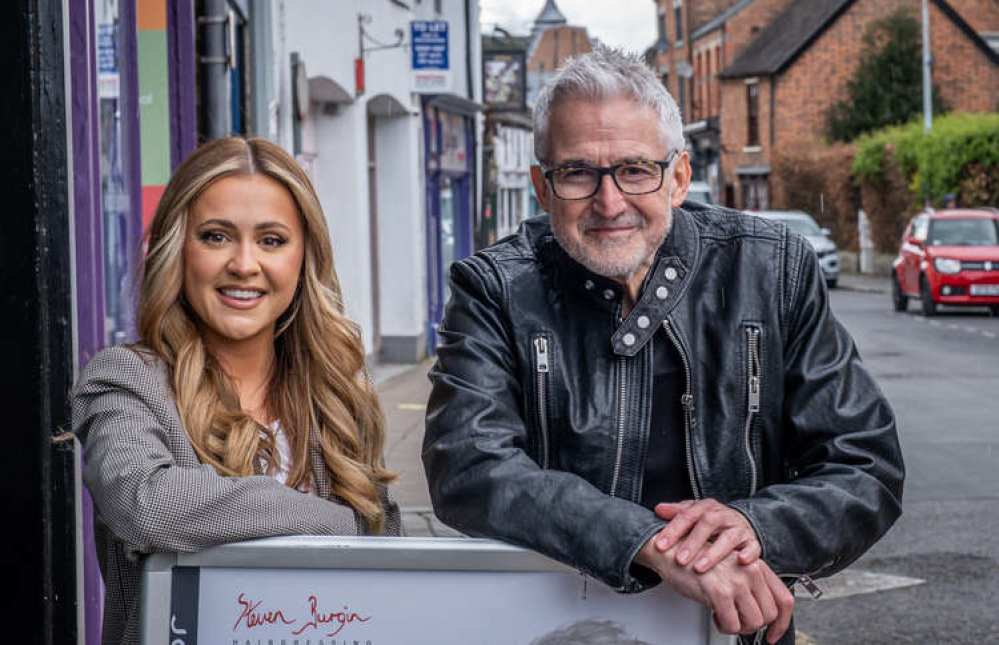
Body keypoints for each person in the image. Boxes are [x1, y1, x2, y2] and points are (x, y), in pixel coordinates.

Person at [423, 47, 903, 645]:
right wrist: (649, 541)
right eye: (577, 172)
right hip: (551, 629)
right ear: (543, 189)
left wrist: (749, 526)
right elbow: (467, 465)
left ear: (677, 178)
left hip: (733, 631)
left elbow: (863, 464)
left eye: (635, 169)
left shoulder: (773, 268)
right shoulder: (494, 287)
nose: (609, 201)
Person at [72, 137, 399, 644]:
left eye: (271, 240)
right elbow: (148, 506)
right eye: (216, 236)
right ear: (177, 247)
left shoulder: (336, 391)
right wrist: (334, 525)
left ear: (303, 256)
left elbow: (388, 560)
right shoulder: (125, 380)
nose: (245, 264)